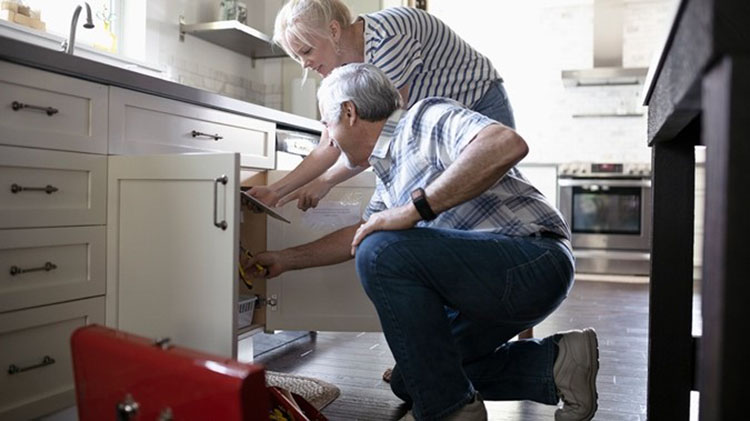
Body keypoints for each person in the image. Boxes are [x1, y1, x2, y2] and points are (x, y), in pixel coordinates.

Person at [246, 63, 599, 421]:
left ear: (349, 112)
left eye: (327, 122)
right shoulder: (387, 176)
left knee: (381, 250)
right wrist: (286, 258)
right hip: (492, 287)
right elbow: (360, 236)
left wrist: (414, 210)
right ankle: (558, 363)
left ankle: (452, 412)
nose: (327, 137)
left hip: (533, 262)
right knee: (412, 379)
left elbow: (505, 143)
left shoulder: (424, 117)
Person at [248, 0, 515, 211]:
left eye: (306, 51)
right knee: (448, 207)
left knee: (491, 199)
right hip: (436, 121)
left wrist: (325, 181)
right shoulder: (339, 73)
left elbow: (382, 136)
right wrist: (276, 191)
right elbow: (329, 145)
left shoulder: (389, 41)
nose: (304, 63)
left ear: (333, 30)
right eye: (296, 56)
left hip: (477, 102)